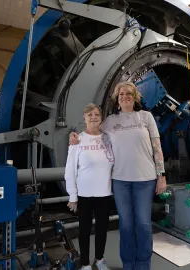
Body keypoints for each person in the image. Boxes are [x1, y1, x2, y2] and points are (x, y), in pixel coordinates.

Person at [69, 82, 167, 270]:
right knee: (127, 225)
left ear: (135, 97)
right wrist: (75, 136)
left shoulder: (145, 117)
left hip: (145, 180)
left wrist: (161, 175)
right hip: (120, 180)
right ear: (117, 98)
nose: (125, 96)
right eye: (121, 94)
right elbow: (92, 131)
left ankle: (143, 264)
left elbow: (157, 148)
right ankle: (129, 264)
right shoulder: (110, 121)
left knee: (144, 224)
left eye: (129, 93)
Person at [64, 103, 114, 270]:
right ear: (84, 118)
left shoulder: (108, 138)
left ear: (101, 117)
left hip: (104, 194)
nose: (93, 117)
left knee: (101, 230)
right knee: (84, 231)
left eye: (97, 114)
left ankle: (99, 260)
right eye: (90, 114)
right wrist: (73, 196)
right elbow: (70, 169)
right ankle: (85, 264)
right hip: (84, 195)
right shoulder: (77, 139)